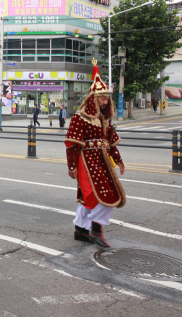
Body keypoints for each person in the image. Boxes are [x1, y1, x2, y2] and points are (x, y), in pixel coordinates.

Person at [65, 60, 126, 248]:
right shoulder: (79, 117)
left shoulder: (105, 119)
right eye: (102, 98)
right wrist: (72, 166)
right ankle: (95, 229)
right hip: (86, 161)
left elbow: (111, 143)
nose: (105, 101)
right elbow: (72, 145)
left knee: (91, 196)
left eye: (107, 98)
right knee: (98, 194)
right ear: (93, 98)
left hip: (103, 161)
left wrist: (119, 160)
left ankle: (81, 229)